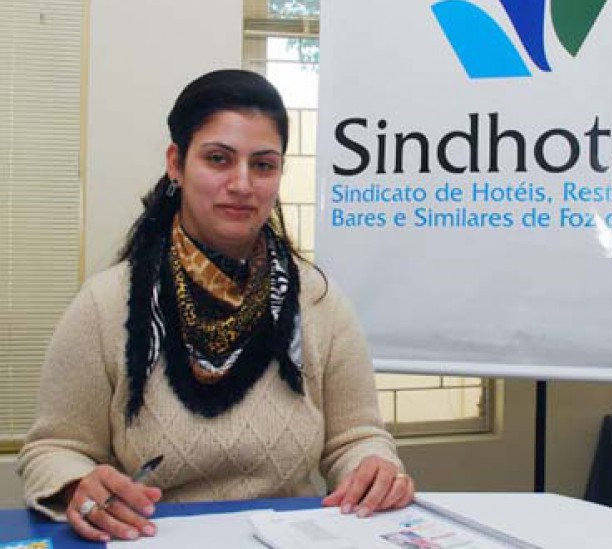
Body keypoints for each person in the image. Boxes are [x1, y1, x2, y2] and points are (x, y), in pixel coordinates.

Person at [16, 69, 415, 542]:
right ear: (176, 163)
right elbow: (53, 449)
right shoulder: (105, 305)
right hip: (150, 537)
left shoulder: (320, 303)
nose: (242, 184)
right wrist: (77, 484)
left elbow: (357, 438)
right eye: (218, 159)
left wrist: (373, 466)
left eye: (263, 165)